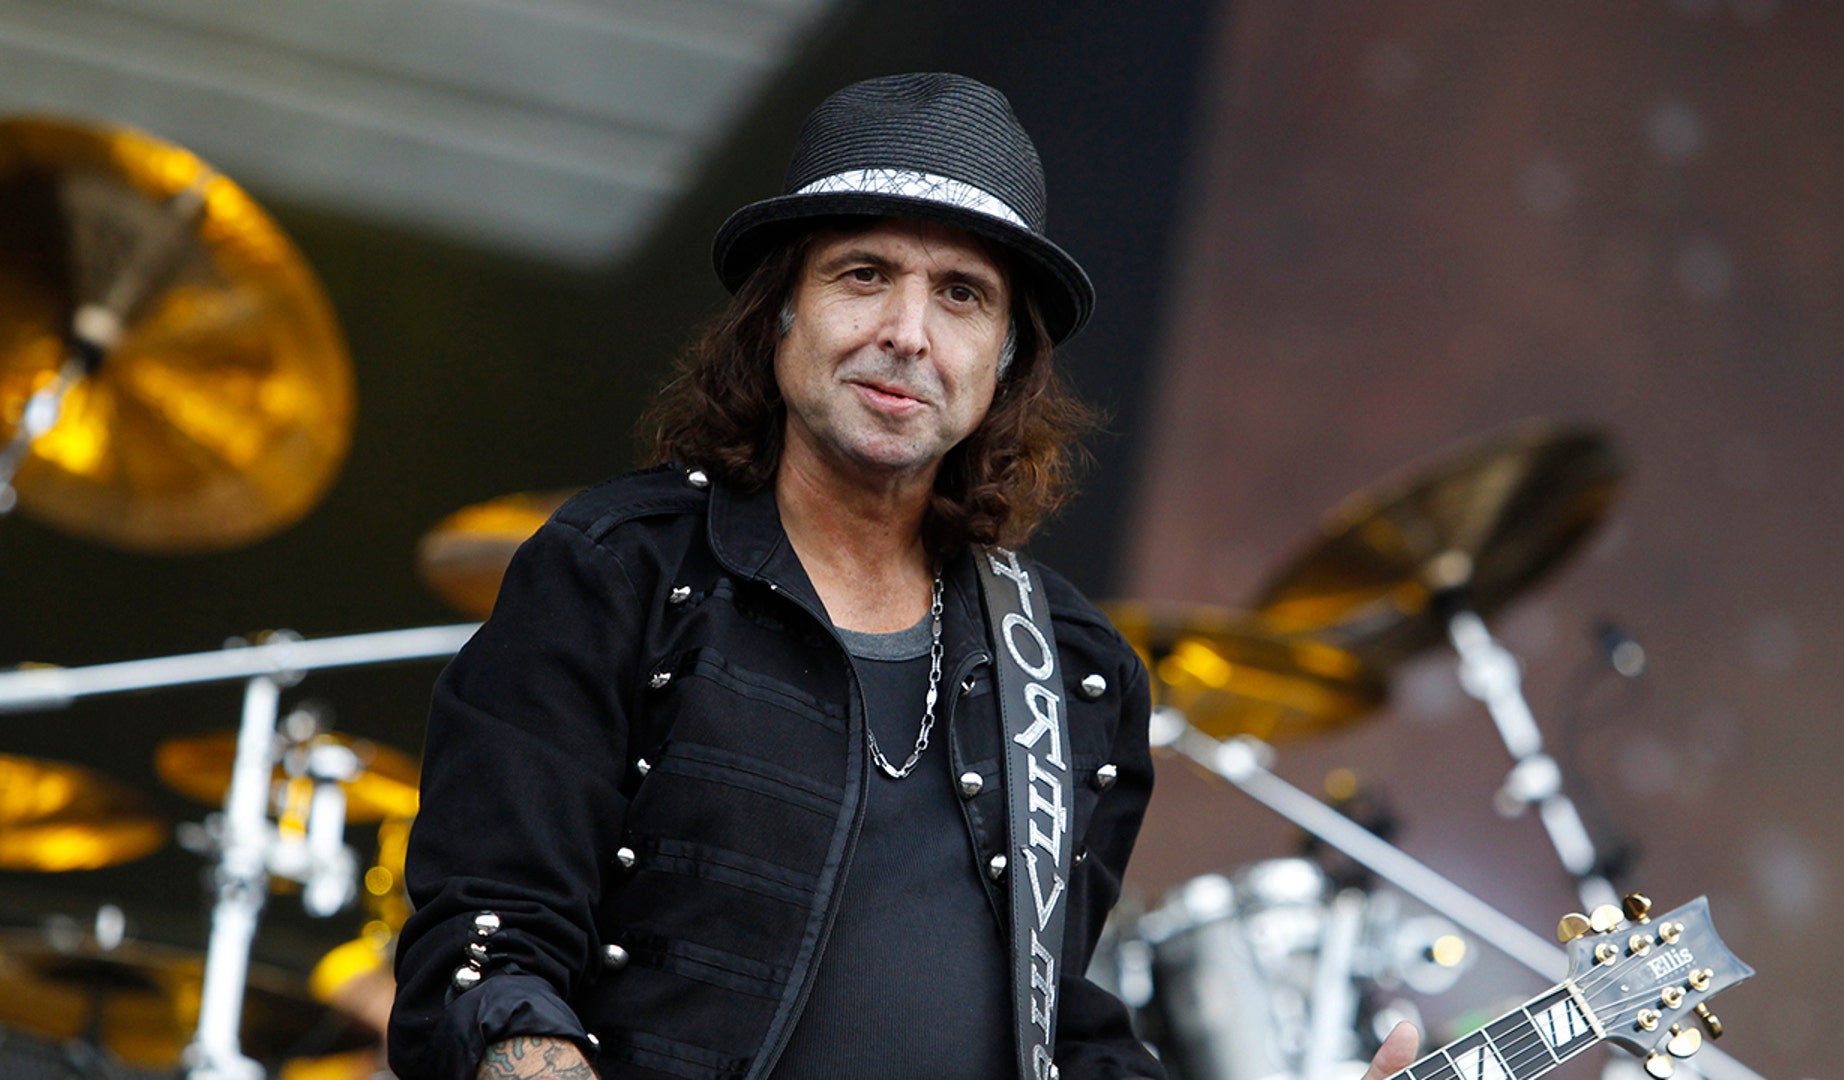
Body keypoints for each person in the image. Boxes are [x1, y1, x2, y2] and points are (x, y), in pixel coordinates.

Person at [388, 72, 1420, 1080]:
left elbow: (1059, 1027)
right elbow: (486, 952)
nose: (908, 333)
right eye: (864, 273)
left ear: (1007, 359)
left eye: (961, 294)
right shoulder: (618, 570)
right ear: (779, 311)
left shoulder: (1074, 671)